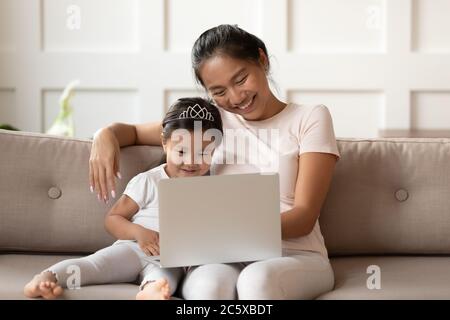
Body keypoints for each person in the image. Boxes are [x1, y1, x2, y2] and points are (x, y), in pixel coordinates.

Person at [89, 24, 341, 300]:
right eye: (219, 91)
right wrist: (105, 134)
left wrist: (222, 228)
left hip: (295, 254)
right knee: (206, 288)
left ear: (262, 60)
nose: (235, 98)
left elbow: (304, 217)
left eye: (241, 79)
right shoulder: (213, 121)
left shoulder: (310, 118)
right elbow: (135, 132)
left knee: (256, 282)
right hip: (223, 254)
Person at [24, 97, 223, 300]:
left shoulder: (211, 186)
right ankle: (46, 278)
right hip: (133, 249)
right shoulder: (150, 180)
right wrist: (139, 233)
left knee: (166, 278)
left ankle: (151, 291)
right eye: (181, 151)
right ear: (164, 143)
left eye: (203, 154)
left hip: (169, 260)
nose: (190, 162)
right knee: (95, 265)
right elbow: (113, 219)